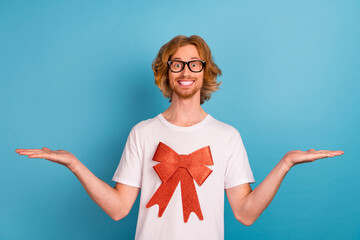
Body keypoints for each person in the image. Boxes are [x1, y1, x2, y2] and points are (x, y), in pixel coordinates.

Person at [15, 35, 344, 240]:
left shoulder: (227, 136)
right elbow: (118, 209)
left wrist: (286, 163)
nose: (186, 71)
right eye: (177, 64)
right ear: (165, 72)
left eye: (194, 63)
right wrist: (74, 164)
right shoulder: (143, 133)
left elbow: (245, 213)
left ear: (205, 71)